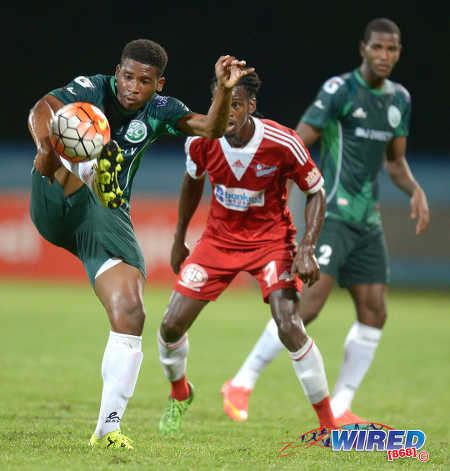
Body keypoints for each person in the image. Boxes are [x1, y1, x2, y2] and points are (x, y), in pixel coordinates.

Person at [28, 38, 254, 449]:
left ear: (159, 85)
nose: (133, 86)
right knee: (82, 124)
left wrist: (222, 90)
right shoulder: (93, 89)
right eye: (127, 77)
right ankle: (92, 164)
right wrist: (45, 147)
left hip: (104, 215)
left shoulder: (160, 111)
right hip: (56, 197)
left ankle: (107, 429)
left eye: (144, 81)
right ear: (117, 73)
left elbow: (212, 129)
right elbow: (42, 107)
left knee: (131, 312)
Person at [221, 18, 430, 426]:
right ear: (363, 48)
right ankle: (241, 381)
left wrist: (416, 190)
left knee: (375, 311)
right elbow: (298, 142)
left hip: (367, 220)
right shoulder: (340, 91)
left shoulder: (399, 99)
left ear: (399, 52)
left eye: (393, 49)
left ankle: (341, 404)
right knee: (309, 306)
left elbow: (395, 161)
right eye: (378, 48)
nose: (385, 56)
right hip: (332, 212)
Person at [156, 70, 340, 436]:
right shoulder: (200, 141)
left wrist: (306, 248)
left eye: (236, 105)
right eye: (221, 105)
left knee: (289, 324)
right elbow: (192, 183)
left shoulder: (282, 142)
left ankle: (328, 426)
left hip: (271, 241)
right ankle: (180, 395)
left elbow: (316, 191)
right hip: (218, 242)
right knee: (169, 325)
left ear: (251, 106)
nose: (227, 115)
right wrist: (179, 238)